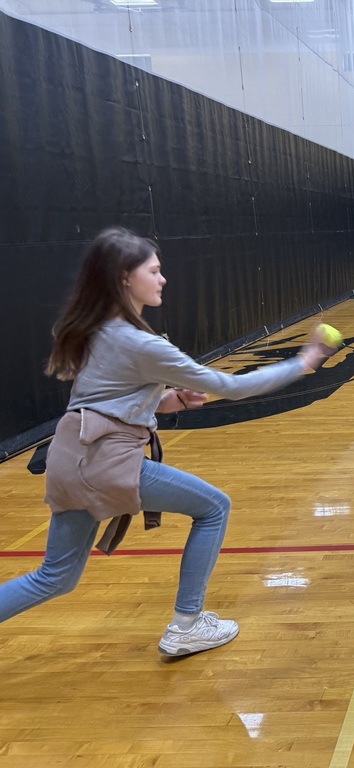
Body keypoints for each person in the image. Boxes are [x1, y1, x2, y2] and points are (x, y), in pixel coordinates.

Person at [0, 227, 329, 656]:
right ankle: (186, 625)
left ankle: (188, 624)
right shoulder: (140, 343)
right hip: (102, 463)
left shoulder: (98, 328)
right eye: (154, 271)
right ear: (124, 278)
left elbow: (107, 398)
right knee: (214, 507)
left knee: (55, 576)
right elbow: (231, 386)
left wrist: (170, 399)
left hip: (71, 459)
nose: (162, 279)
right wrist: (301, 362)